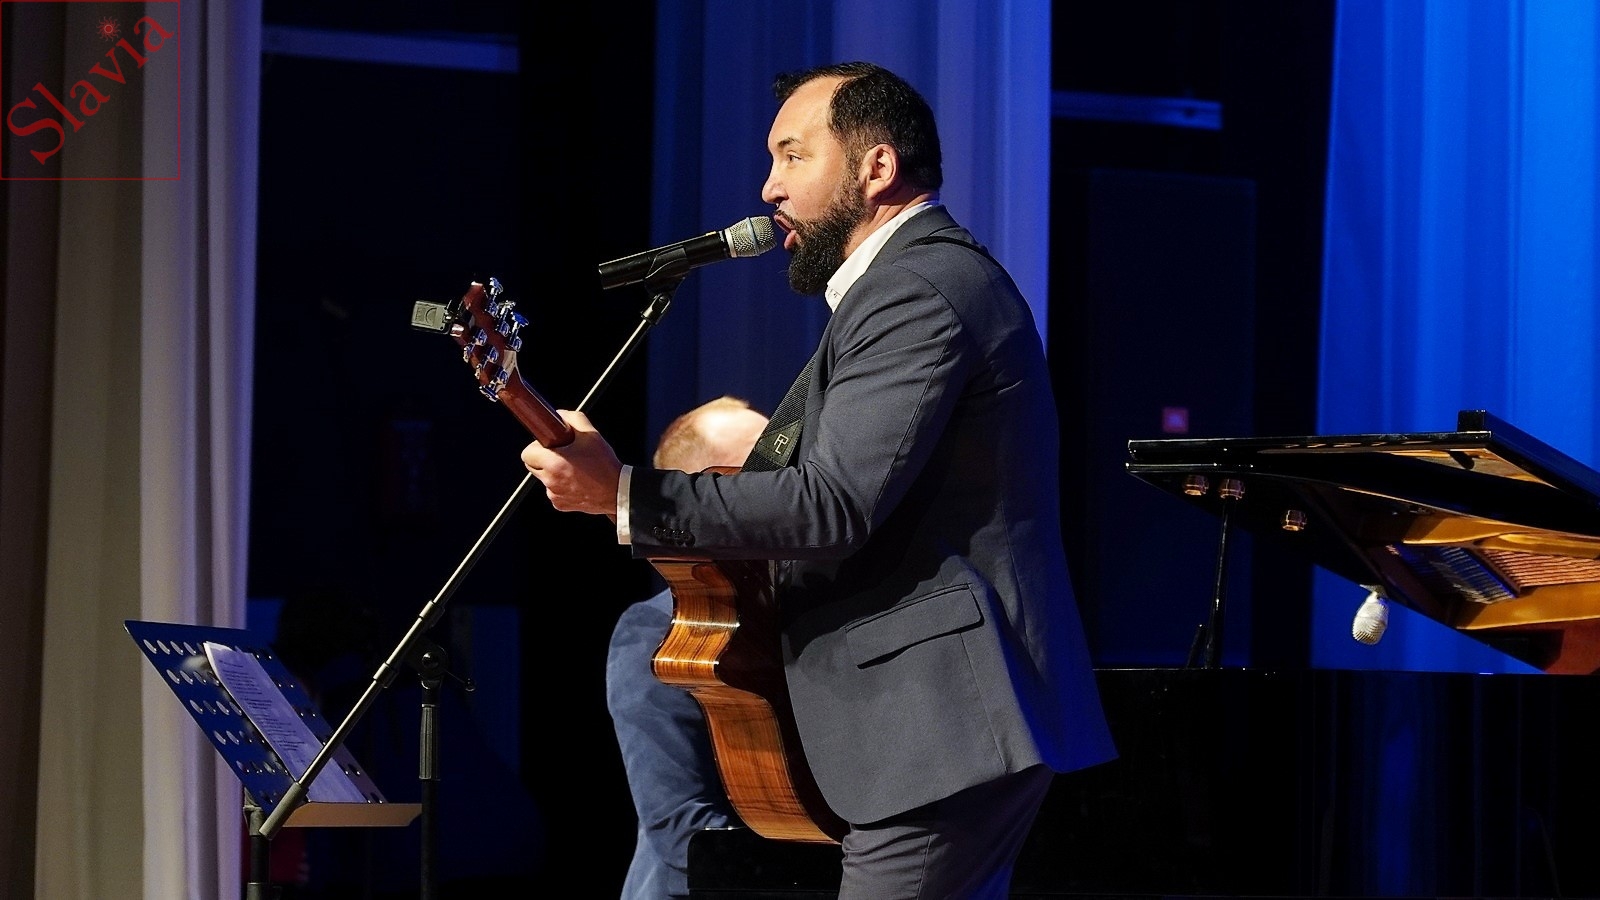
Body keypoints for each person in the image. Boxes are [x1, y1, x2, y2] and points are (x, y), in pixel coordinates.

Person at [525, 60, 1116, 899]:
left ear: (876, 167)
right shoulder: (911, 285)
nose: (769, 186)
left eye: (793, 156)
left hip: (937, 727)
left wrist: (623, 493)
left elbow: (832, 504)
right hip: (939, 727)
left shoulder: (915, 287)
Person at [606, 396, 768, 900]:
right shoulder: (657, 631)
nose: (786, 486)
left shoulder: (812, 615)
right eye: (760, 471)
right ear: (699, 501)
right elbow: (683, 832)